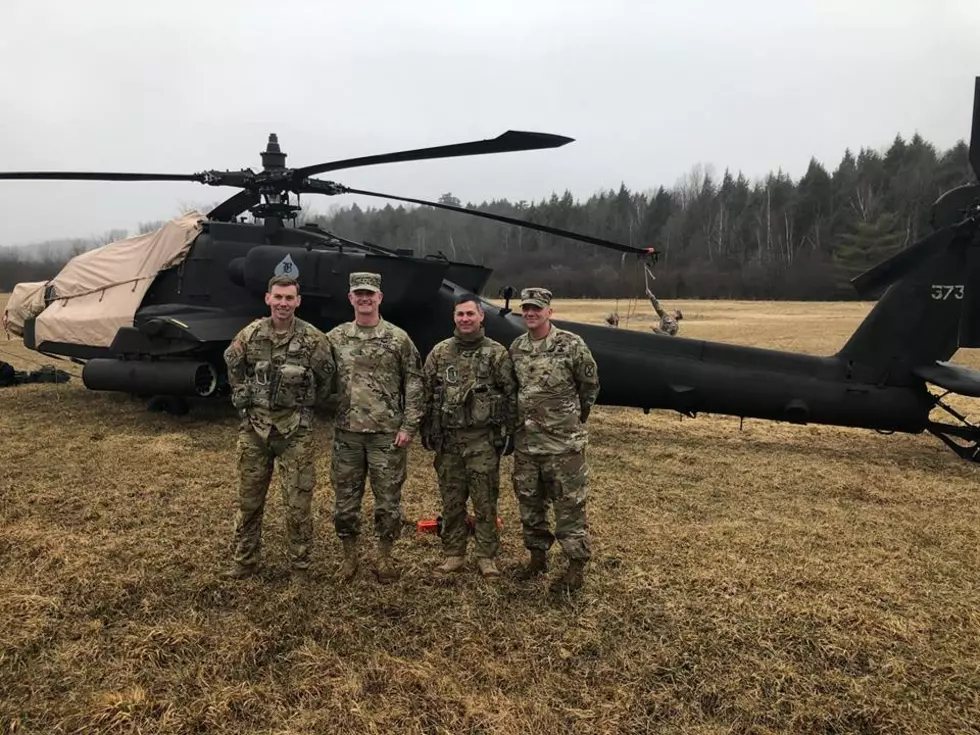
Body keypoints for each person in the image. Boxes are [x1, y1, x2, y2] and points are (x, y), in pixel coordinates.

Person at [221, 274, 335, 584]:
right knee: (248, 501)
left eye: (289, 298)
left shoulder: (313, 339)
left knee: (298, 505)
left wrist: (304, 404)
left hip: (294, 431)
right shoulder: (251, 333)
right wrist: (244, 397)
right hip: (255, 430)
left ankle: (300, 566)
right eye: (278, 297)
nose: (283, 303)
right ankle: (244, 561)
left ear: (298, 301)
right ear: (268, 298)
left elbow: (328, 381)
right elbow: (233, 363)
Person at [327, 271, 425, 583]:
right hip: (347, 435)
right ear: (351, 298)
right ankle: (349, 558)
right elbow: (319, 374)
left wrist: (408, 425)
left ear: (380, 298)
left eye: (370, 293)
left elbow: (414, 382)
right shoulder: (335, 338)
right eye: (359, 293)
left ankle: (385, 557)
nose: (365, 298)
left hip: (387, 435)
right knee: (345, 502)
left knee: (388, 502)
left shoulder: (398, 339)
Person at [421, 293, 518, 579]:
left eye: (470, 314)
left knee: (485, 500)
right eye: (460, 314)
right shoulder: (440, 353)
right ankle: (454, 554)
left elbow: (511, 395)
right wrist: (425, 429)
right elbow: (426, 393)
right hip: (448, 441)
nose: (465, 319)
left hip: (482, 440)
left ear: (481, 316)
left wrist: (509, 433)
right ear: (454, 317)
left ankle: (487, 557)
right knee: (452, 500)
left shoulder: (496, 353)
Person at [509, 287, 599, 592]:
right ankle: (537, 557)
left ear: (549, 311)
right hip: (527, 445)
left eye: (537, 308)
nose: (531, 313)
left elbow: (589, 386)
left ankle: (575, 566)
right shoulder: (517, 347)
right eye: (526, 308)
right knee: (529, 503)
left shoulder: (571, 344)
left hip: (563, 445)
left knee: (569, 505)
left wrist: (571, 421)